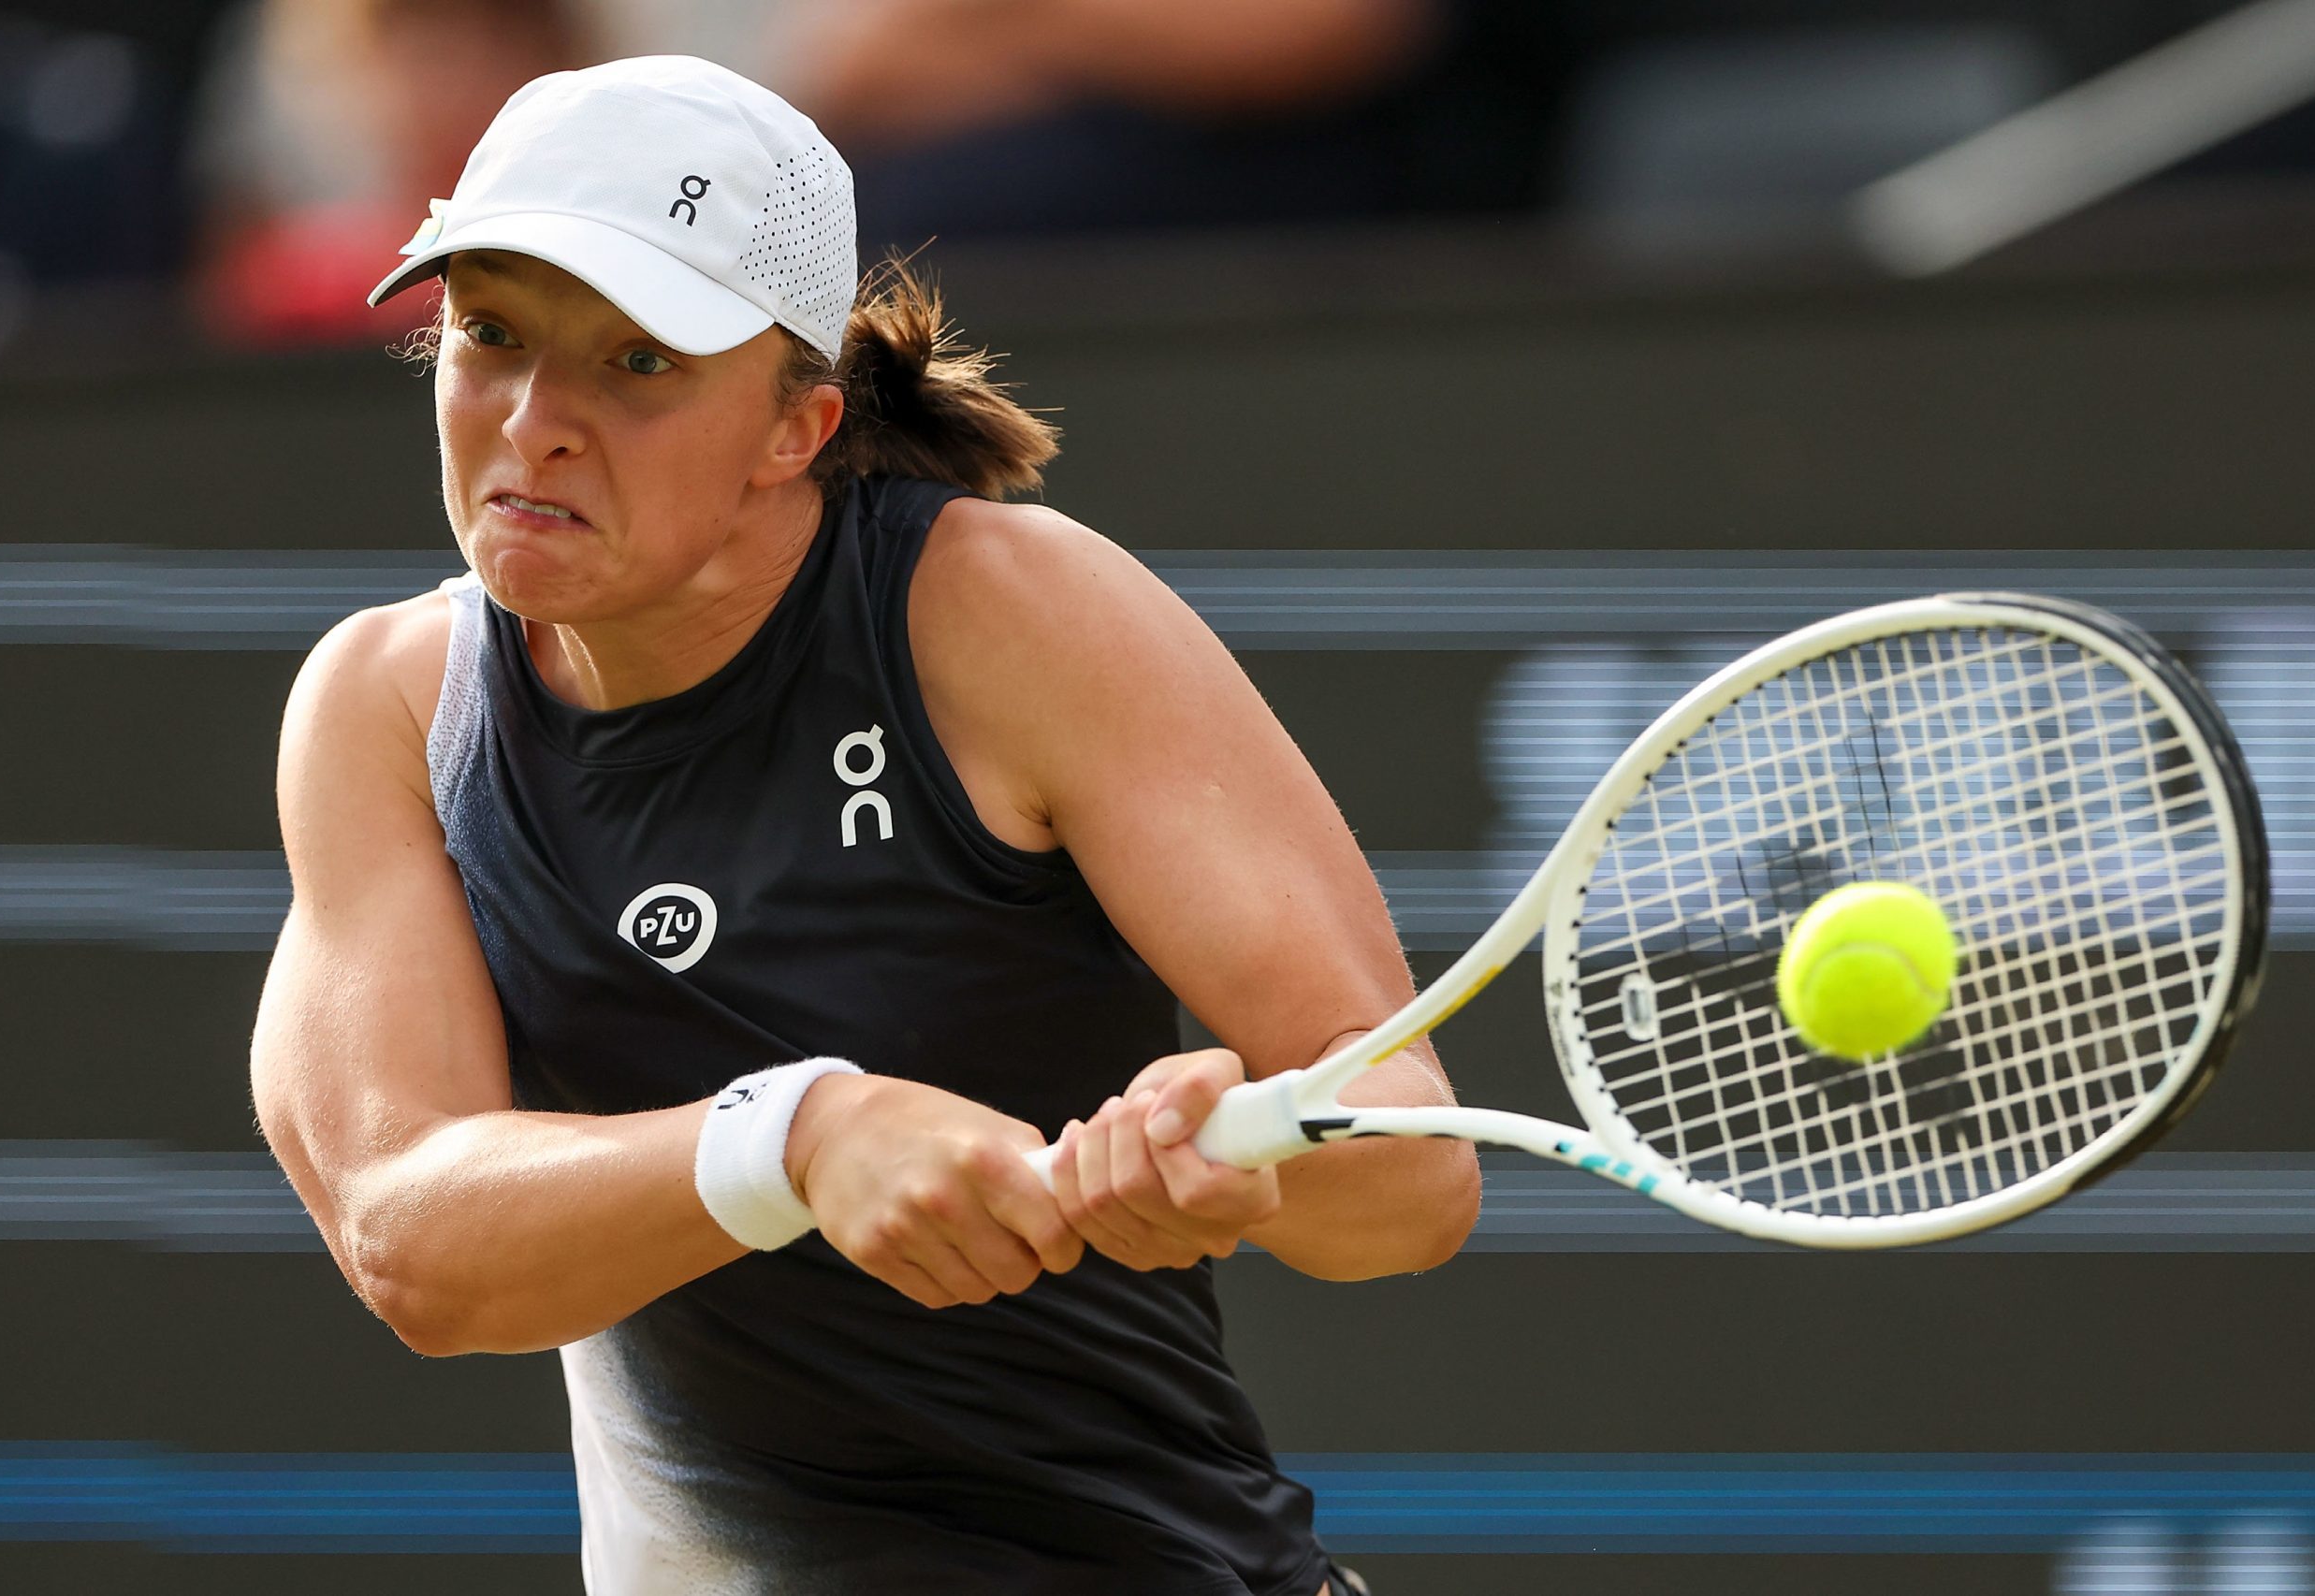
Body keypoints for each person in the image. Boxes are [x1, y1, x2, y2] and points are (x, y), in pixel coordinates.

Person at [249, 55, 1478, 1595]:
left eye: (639, 363)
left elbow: (1413, 1181)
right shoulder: (389, 705)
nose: (534, 424)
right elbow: (412, 1239)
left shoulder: (1006, 610)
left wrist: (1226, 1164)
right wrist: (801, 1134)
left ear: (795, 424)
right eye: (489, 335)